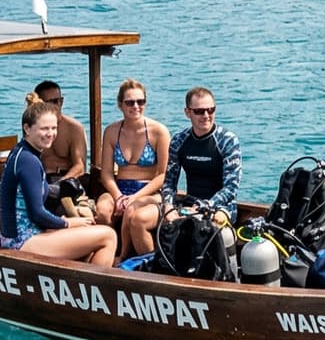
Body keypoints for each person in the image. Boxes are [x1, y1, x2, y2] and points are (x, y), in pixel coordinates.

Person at [0, 95, 117, 264]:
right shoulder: (28, 160)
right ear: (27, 128)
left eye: (54, 128)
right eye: (44, 129)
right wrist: (68, 223)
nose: (50, 134)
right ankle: (94, 289)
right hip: (22, 241)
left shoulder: (21, 152)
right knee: (108, 236)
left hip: (15, 235)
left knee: (86, 235)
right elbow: (37, 213)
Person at [95, 77, 169, 255]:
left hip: (149, 191)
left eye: (140, 101)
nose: (136, 106)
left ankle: (123, 257)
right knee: (103, 210)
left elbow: (162, 175)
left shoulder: (159, 132)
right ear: (120, 105)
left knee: (131, 211)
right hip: (119, 189)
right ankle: (106, 252)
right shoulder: (112, 132)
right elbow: (106, 174)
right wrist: (118, 196)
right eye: (130, 102)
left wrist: (135, 197)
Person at [162, 85, 241, 227]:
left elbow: (231, 187)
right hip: (190, 205)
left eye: (210, 110)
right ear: (187, 113)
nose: (206, 115)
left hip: (221, 207)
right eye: (199, 111)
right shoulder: (179, 141)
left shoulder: (227, 140)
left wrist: (204, 205)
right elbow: (169, 182)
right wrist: (168, 205)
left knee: (207, 228)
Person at [31, 79, 89, 183]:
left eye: (59, 101)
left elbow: (80, 167)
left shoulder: (74, 128)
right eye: (51, 102)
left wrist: (60, 183)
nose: (56, 105)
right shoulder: (32, 127)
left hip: (66, 179)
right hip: (39, 179)